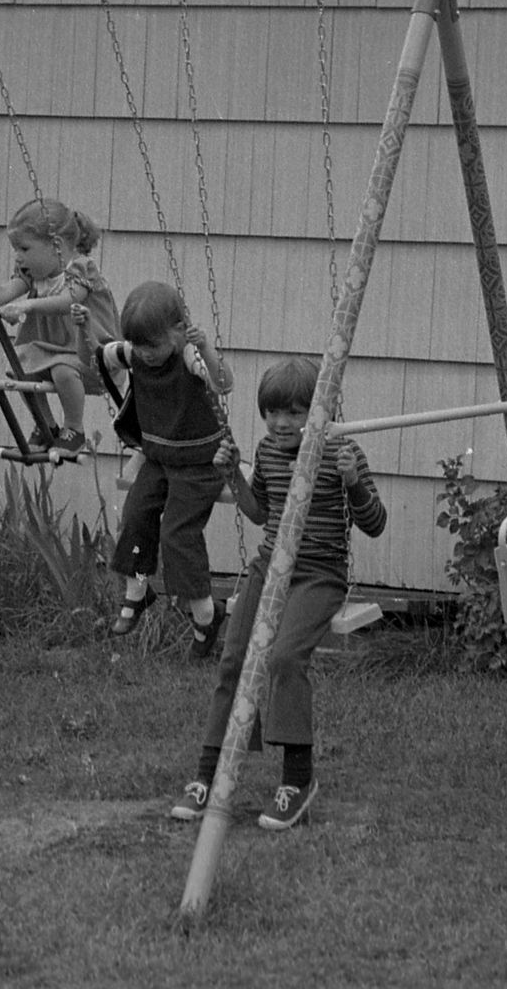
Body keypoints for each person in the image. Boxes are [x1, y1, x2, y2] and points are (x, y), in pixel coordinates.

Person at [170, 356, 386, 833]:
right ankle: (208, 774)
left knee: (285, 659)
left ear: (320, 412)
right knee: (234, 659)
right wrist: (233, 475)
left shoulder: (342, 452)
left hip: (318, 573)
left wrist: (353, 483)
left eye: (294, 412)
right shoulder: (267, 451)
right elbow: (259, 512)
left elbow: (375, 524)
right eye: (273, 412)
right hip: (269, 568)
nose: (281, 423)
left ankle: (297, 780)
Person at [99, 281, 236, 656]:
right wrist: (83, 328)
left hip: (199, 462)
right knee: (136, 516)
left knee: (177, 534)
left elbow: (224, 384)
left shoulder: (188, 355)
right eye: (138, 346)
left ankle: (206, 616)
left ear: (179, 331)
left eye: (154, 346)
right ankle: (138, 590)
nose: (145, 354)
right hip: (159, 458)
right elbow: (100, 357)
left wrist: (206, 349)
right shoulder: (136, 352)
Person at [0, 198, 118, 463]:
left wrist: (28, 305)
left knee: (63, 370)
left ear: (57, 245)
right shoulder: (33, 273)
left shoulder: (81, 268)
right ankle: (46, 426)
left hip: (89, 352)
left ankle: (74, 429)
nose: (18, 256)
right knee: (19, 367)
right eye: (15, 249)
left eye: (24, 248)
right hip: (52, 351)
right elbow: (6, 290)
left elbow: (68, 301)